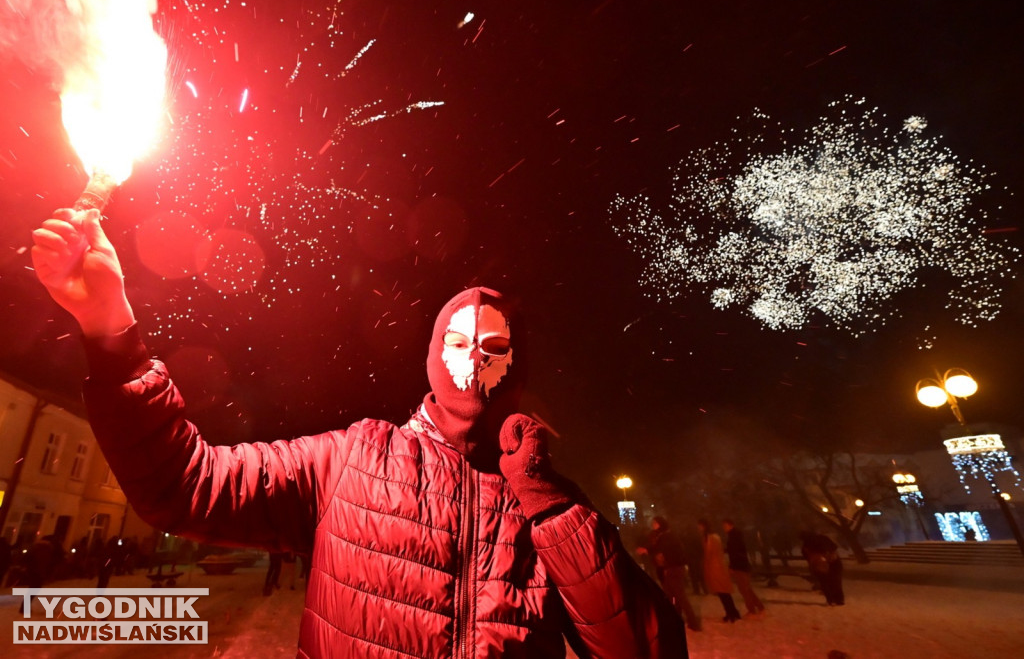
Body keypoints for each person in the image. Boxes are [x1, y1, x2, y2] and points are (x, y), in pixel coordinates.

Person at [31, 207, 688, 658]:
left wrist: (553, 509)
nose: (472, 360)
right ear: (433, 355)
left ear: (518, 365)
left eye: (493, 346)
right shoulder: (351, 459)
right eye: (457, 341)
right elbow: (183, 485)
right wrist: (109, 329)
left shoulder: (547, 505)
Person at [637, 516, 702, 631]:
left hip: (675, 568)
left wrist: (647, 550)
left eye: (655, 523)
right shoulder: (664, 535)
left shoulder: (667, 536)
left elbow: (662, 548)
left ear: (660, 524)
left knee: (680, 596)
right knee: (671, 595)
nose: (653, 525)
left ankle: (693, 622)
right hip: (671, 568)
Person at [697, 518, 741, 623]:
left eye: (699, 526)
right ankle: (732, 612)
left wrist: (705, 565)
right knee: (723, 592)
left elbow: (709, 553)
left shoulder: (710, 538)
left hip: (716, 568)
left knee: (723, 592)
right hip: (717, 567)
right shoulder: (713, 537)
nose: (698, 528)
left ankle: (731, 613)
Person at [722, 519, 765, 616]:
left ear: (730, 525)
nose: (724, 528)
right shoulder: (736, 535)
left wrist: (732, 566)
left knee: (744, 589)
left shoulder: (734, 536)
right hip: (742, 565)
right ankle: (759, 606)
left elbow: (734, 553)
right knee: (747, 588)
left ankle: (751, 610)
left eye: (725, 526)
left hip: (739, 566)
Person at [800, 530, 845, 606]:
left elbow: (806, 555)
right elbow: (834, 547)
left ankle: (830, 599)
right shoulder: (823, 538)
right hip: (834, 561)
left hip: (819, 564)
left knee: (824, 582)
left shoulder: (807, 544)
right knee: (836, 581)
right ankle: (839, 599)